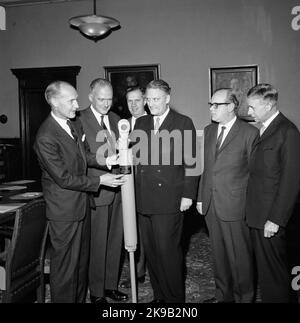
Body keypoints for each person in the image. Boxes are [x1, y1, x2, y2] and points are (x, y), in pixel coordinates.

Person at [34, 81, 125, 303]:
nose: (77, 104)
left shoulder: (71, 125)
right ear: (55, 103)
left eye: (76, 99)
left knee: (81, 264)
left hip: (82, 205)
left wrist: (107, 160)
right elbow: (64, 178)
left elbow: (85, 155)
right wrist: (99, 181)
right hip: (64, 211)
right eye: (71, 100)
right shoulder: (46, 136)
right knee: (65, 268)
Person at [131, 79, 199, 303]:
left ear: (168, 98)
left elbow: (192, 162)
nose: (151, 104)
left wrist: (188, 194)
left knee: (168, 253)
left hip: (170, 199)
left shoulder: (182, 122)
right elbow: (136, 159)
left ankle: (174, 301)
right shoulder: (141, 123)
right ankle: (160, 297)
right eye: (148, 99)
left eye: (156, 99)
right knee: (151, 253)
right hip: (144, 199)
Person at [196, 88, 259, 303]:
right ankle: (223, 296)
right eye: (210, 104)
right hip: (211, 204)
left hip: (235, 206)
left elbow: (254, 174)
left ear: (231, 107)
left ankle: (244, 298)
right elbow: (208, 169)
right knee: (219, 256)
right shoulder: (209, 131)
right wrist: (201, 197)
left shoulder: (249, 133)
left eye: (216, 105)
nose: (211, 109)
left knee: (240, 258)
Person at [246, 83, 300, 303]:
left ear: (268, 105)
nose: (248, 112)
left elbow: (291, 181)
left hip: (270, 218)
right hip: (258, 215)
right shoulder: (265, 128)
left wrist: (275, 219)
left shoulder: (287, 131)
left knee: (275, 276)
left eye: (252, 107)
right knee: (266, 274)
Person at [79, 78, 128, 303]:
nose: (106, 104)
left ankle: (110, 286)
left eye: (109, 99)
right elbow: (80, 157)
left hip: (119, 189)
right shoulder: (79, 120)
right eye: (101, 99)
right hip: (98, 189)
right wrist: (106, 161)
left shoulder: (117, 119)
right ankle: (97, 291)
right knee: (98, 244)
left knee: (115, 240)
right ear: (90, 97)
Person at [119, 86, 147, 289]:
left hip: (148, 186)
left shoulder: (154, 123)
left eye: (137, 100)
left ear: (145, 100)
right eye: (130, 101)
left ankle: (149, 269)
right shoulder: (122, 125)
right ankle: (135, 271)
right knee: (130, 228)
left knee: (148, 232)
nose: (134, 105)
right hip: (127, 186)